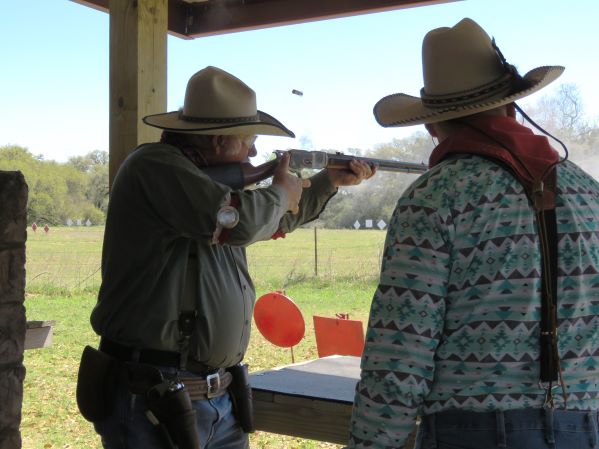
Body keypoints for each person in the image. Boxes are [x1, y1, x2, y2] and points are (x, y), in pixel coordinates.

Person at [83, 66, 374, 449]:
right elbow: (241, 221)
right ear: (219, 140)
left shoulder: (204, 183)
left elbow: (271, 220)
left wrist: (328, 181)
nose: (253, 151)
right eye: (249, 140)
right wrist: (279, 191)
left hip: (214, 395)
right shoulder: (154, 166)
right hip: (154, 396)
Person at [349, 18, 599, 449]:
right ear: (511, 108)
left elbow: (401, 354)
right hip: (586, 425)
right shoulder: (589, 193)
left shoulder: (433, 198)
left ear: (432, 125)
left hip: (471, 433)